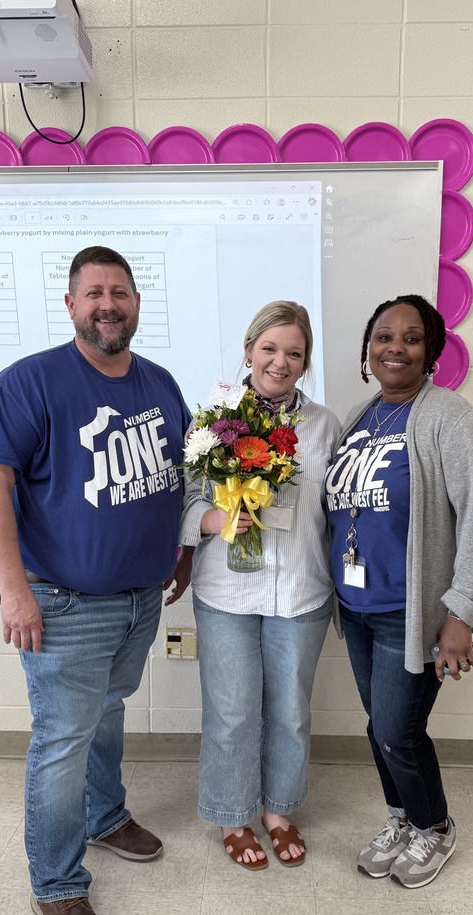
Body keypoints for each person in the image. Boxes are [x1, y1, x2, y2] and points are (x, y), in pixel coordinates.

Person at [0, 246, 193, 915]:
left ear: (137, 303)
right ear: (70, 305)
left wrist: (175, 554)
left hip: (138, 599)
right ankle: (56, 885)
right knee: (63, 738)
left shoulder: (160, 383)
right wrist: (14, 592)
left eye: (120, 291)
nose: (108, 304)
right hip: (60, 604)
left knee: (107, 712)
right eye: (94, 293)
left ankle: (106, 814)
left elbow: (175, 478)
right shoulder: (31, 382)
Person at [325, 295, 473, 888]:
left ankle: (435, 826)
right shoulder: (359, 415)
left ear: (431, 353)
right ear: (367, 349)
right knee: (380, 725)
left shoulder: (449, 417)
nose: (394, 347)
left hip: (411, 610)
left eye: (411, 338)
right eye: (382, 336)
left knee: (397, 729)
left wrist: (461, 611)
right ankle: (401, 817)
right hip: (357, 607)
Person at [180, 301, 340, 869]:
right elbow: (186, 499)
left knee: (291, 709)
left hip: (301, 591)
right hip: (226, 592)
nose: (280, 361)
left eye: (294, 352)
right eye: (269, 348)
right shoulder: (213, 421)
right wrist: (215, 521)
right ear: (248, 350)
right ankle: (231, 814)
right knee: (231, 711)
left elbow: (336, 508)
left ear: (305, 362)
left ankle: (278, 809)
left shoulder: (324, 425)